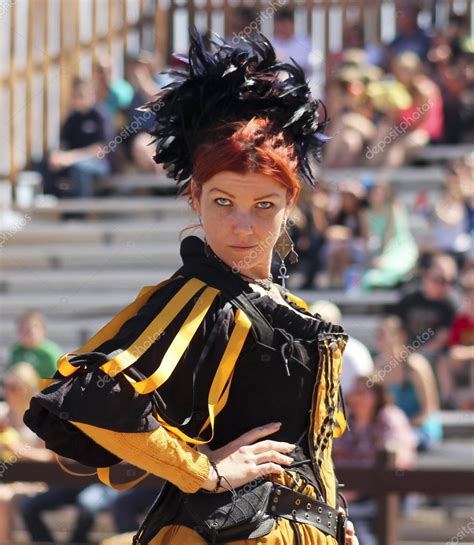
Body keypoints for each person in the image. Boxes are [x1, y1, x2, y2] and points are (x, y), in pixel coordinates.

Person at [24, 27, 359, 545]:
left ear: (290, 206)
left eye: (263, 205)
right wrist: (203, 471)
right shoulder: (198, 297)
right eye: (223, 202)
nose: (242, 226)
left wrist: (330, 517)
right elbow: (88, 395)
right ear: (195, 199)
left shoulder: (287, 307)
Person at [332, 376, 417, 545]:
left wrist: (356, 490)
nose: (356, 396)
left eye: (363, 392)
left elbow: (400, 457)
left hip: (383, 493)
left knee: (354, 524)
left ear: (377, 395)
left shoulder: (389, 417)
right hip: (346, 493)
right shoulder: (346, 422)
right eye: (354, 392)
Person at [37, 77, 114, 198]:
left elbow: (101, 150)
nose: (77, 99)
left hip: (98, 164)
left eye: (81, 95)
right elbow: (64, 144)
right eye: (75, 95)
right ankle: (54, 201)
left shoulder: (100, 115)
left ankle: (79, 213)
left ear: (91, 95)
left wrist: (71, 157)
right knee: (43, 164)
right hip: (73, 160)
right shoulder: (72, 118)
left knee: (79, 168)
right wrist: (57, 156)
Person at [373, 316, 442, 451]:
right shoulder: (378, 366)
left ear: (401, 336)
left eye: (383, 333)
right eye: (378, 333)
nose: (379, 338)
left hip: (421, 429)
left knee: (397, 444)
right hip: (395, 429)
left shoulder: (416, 365)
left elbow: (428, 410)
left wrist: (402, 427)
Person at [7, 310, 62, 379]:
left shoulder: (50, 353)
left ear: (42, 330)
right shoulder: (16, 351)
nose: (25, 334)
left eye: (28, 330)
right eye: (22, 330)